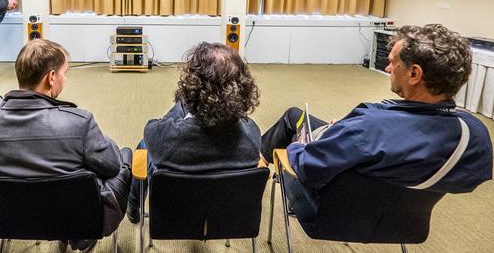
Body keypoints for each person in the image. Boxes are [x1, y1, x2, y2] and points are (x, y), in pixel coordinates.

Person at [261, 23, 493, 221]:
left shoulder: (369, 125)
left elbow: (308, 169)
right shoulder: (476, 136)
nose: (387, 68)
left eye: (393, 62)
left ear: (414, 74)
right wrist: (345, 131)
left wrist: (299, 146)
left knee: (293, 121)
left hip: (331, 213)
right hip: (406, 222)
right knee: (295, 114)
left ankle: (251, 171)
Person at [0, 39, 132, 252]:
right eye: (65, 72)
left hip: (16, 220)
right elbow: (111, 166)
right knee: (124, 157)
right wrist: (97, 136)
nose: (65, 78)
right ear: (51, 77)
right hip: (80, 216)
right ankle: (78, 234)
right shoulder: (79, 123)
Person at [126, 42, 262, 223]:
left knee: (143, 147)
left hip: (174, 216)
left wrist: (186, 104)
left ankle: (134, 206)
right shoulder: (252, 135)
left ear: (192, 83)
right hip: (225, 218)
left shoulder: (164, 137)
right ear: (242, 86)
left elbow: (152, 128)